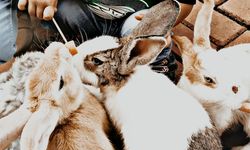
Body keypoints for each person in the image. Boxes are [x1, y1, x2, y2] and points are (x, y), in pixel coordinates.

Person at [0, 0, 196, 80]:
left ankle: (155, 64)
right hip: (82, 11)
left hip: (133, 20)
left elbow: (184, 4)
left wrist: (157, 18)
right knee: (65, 16)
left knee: (150, 32)